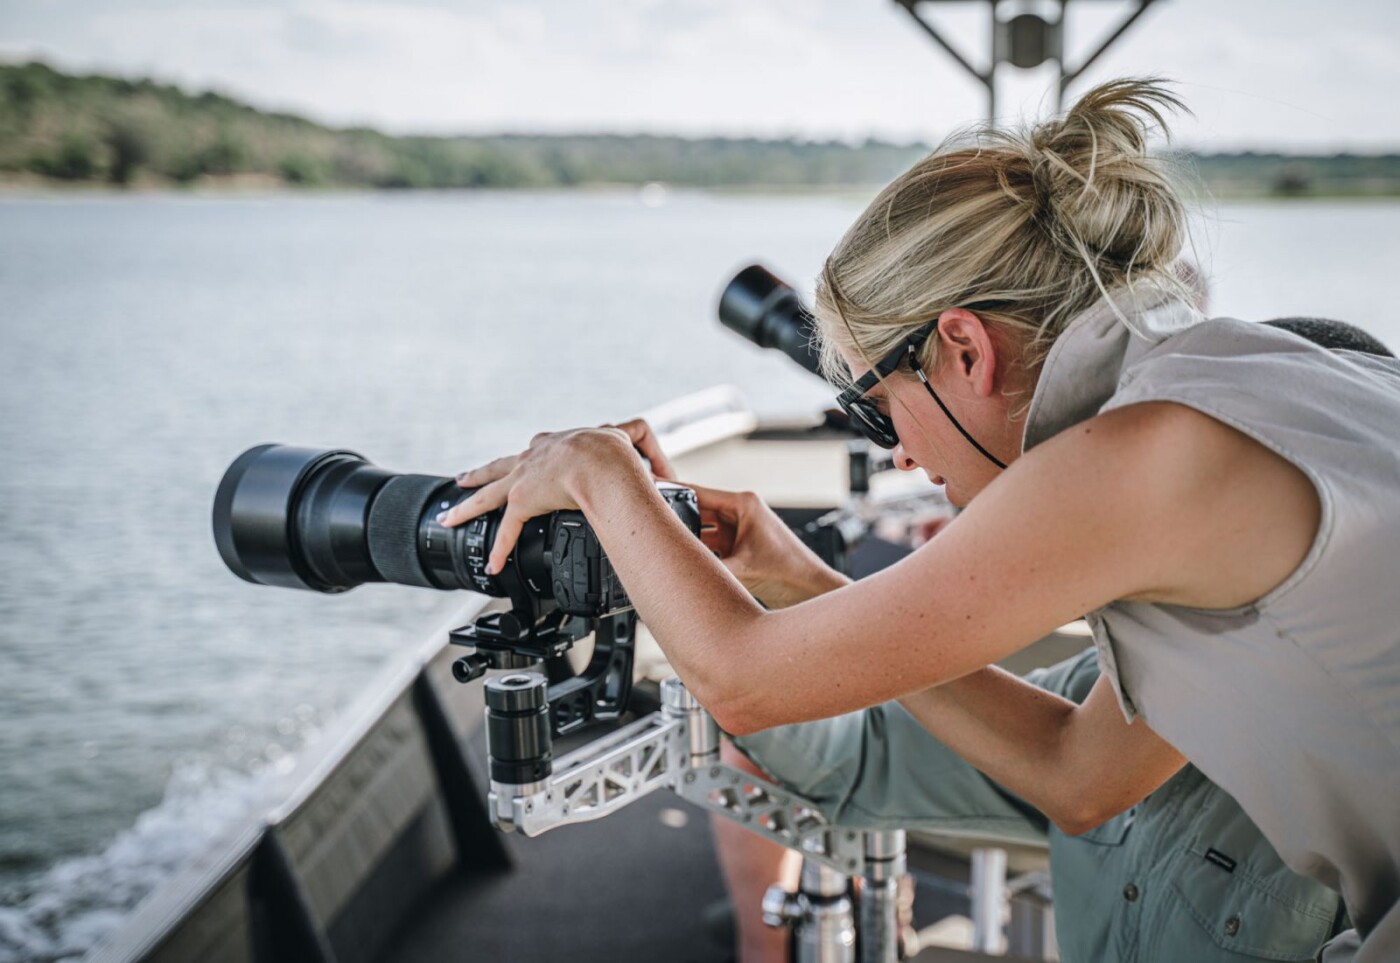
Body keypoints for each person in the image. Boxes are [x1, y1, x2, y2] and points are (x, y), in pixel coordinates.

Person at [440, 79, 1400, 960]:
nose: (899, 453)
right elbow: (1083, 775)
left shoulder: (1137, 458)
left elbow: (742, 684)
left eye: (874, 406)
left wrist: (600, 471)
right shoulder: (1254, 381)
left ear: (964, 349)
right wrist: (800, 576)